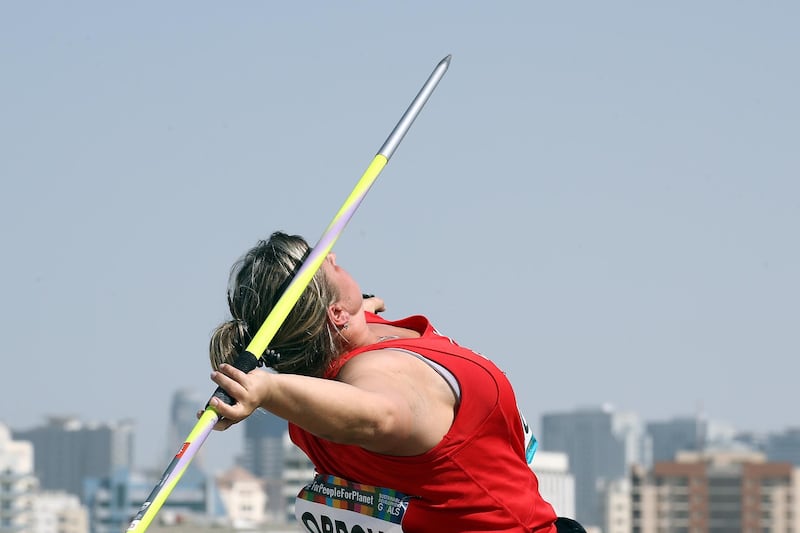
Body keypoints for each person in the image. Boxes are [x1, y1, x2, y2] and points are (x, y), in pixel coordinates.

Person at [206, 231, 585, 533]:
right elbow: (378, 415)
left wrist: (361, 311)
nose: (335, 257)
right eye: (328, 265)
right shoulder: (378, 378)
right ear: (335, 313)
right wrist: (267, 389)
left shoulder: (331, 352)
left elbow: (339, 343)